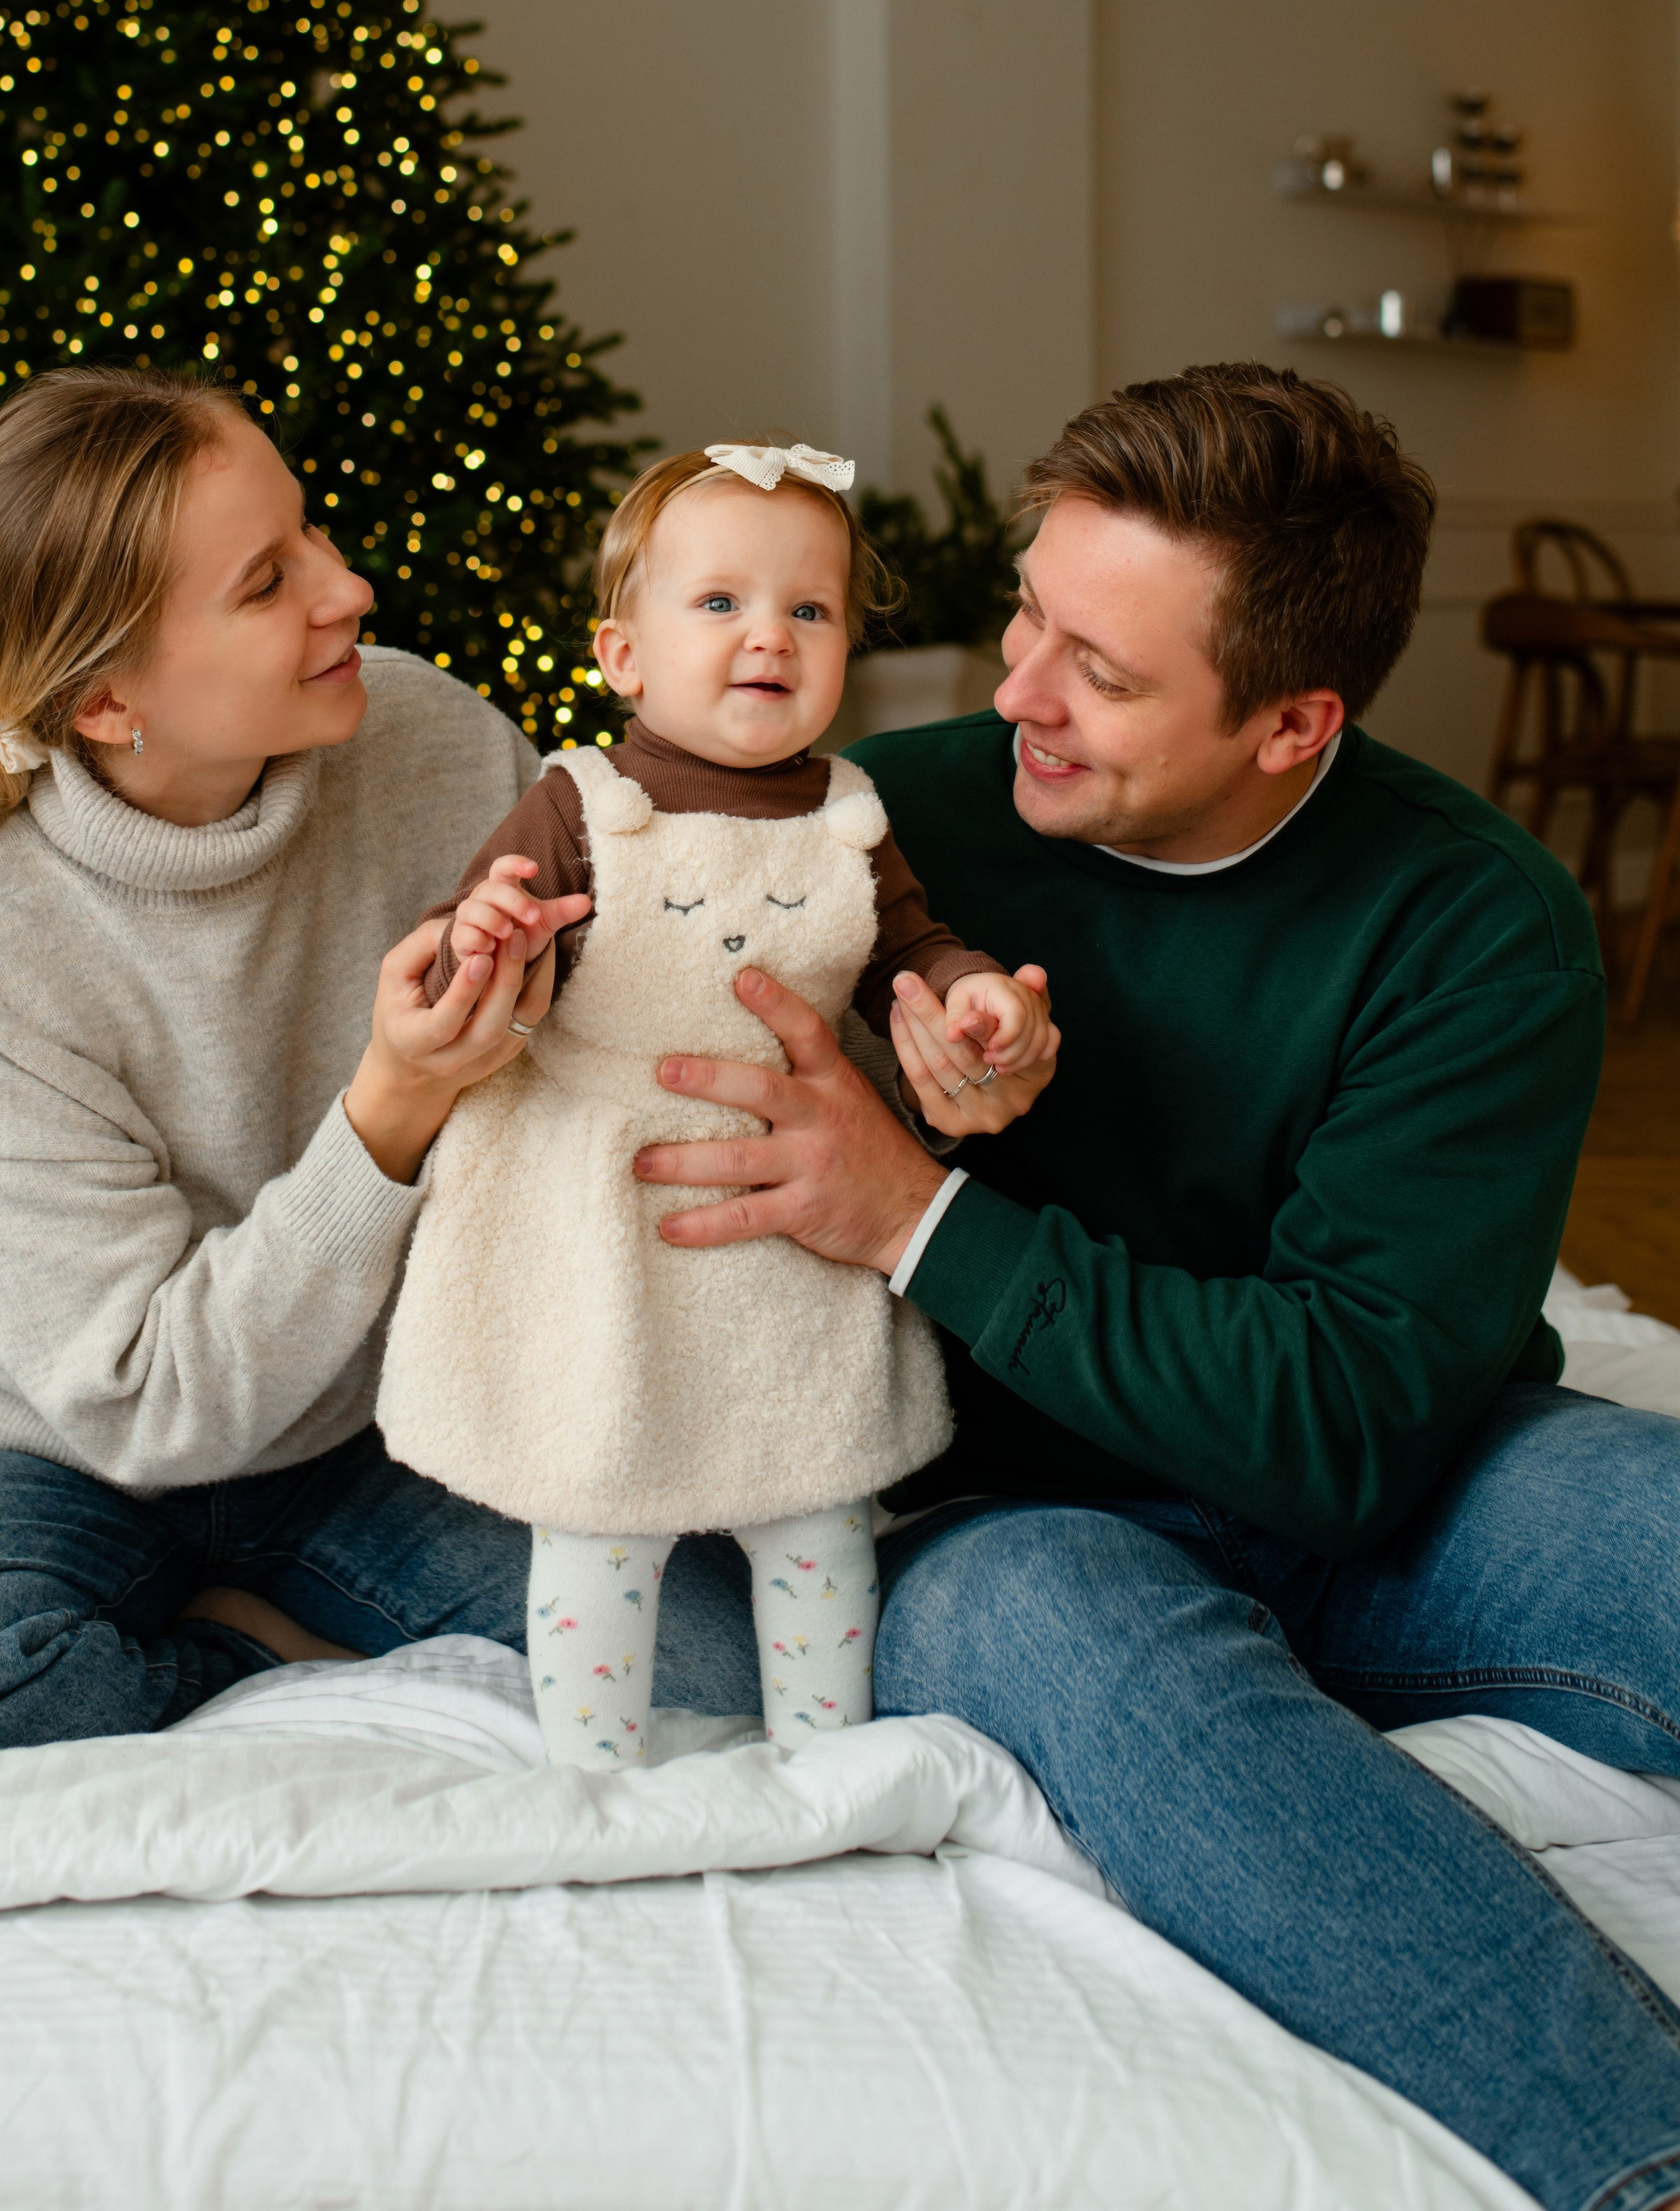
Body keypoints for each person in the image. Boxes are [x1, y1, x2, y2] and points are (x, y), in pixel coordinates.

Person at [628, 364, 1680, 2211]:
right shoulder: (865, 822)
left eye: (1098, 670)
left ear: (1293, 720)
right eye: (1030, 610)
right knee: (1069, 1631)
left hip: (1400, 1480)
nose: (1015, 686)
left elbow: (1350, 1427)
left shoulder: (1472, 919)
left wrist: (924, 1222)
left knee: (1653, 1512)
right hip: (1007, 1516)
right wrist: (872, 1113)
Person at [0, 366, 763, 1782]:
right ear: (108, 699)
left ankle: (253, 1619)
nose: (347, 592)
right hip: (53, 1444)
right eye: (269, 581)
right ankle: (243, 1646)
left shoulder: (425, 739)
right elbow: (144, 1393)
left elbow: (614, 1039)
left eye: (316, 537)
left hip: (364, 1418)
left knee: (717, 1660)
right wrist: (390, 1110)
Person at [375, 437, 1055, 1763]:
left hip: (786, 1221)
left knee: (817, 1510)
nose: (772, 637)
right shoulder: (582, 802)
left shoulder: (850, 815)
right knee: (600, 1505)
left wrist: (975, 993)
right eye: (722, 604)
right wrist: (487, 936)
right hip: (609, 1220)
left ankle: (826, 1752)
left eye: (811, 609)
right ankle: (593, 1770)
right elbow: (477, 948)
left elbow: (905, 948)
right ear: (624, 657)